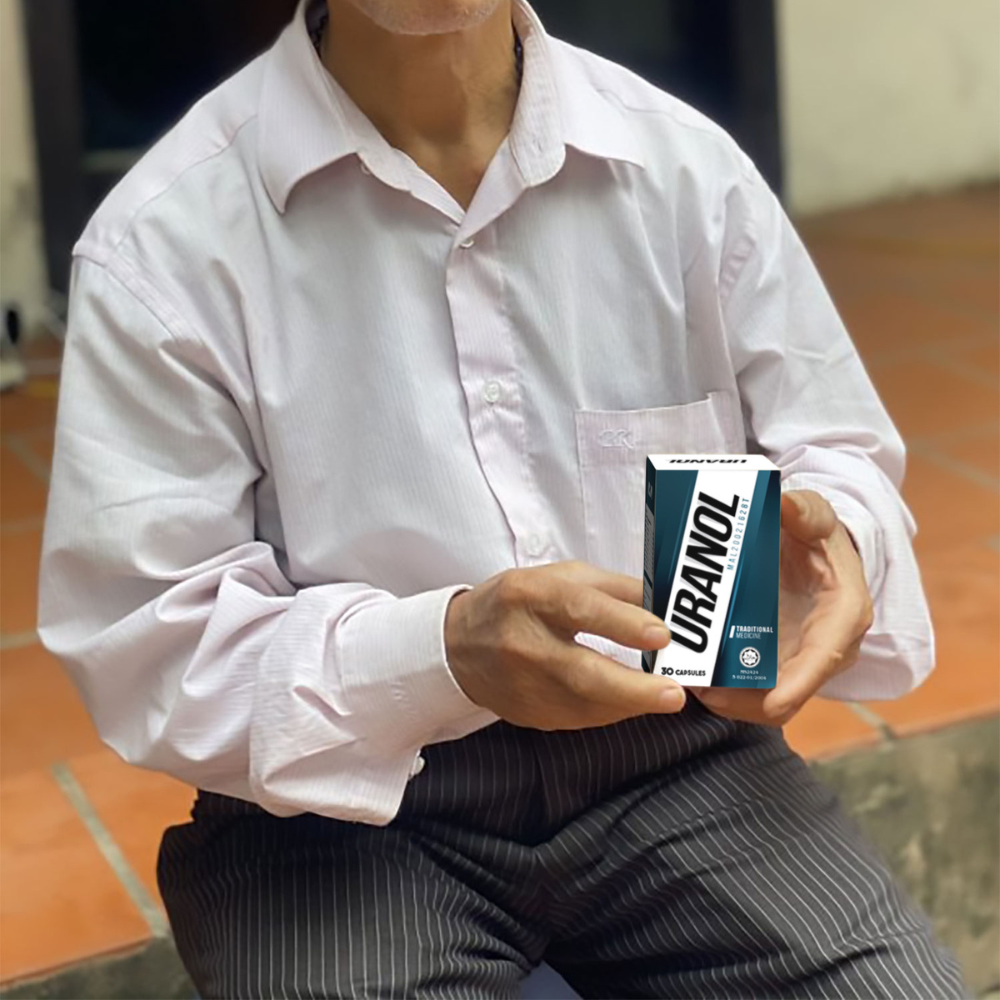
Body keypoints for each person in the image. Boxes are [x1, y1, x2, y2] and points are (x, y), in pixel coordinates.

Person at [38, 0, 966, 996]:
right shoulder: (166, 241)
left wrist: (838, 539)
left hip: (678, 756)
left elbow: (836, 453)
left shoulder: (685, 169)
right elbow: (152, 645)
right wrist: (441, 652)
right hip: (337, 812)